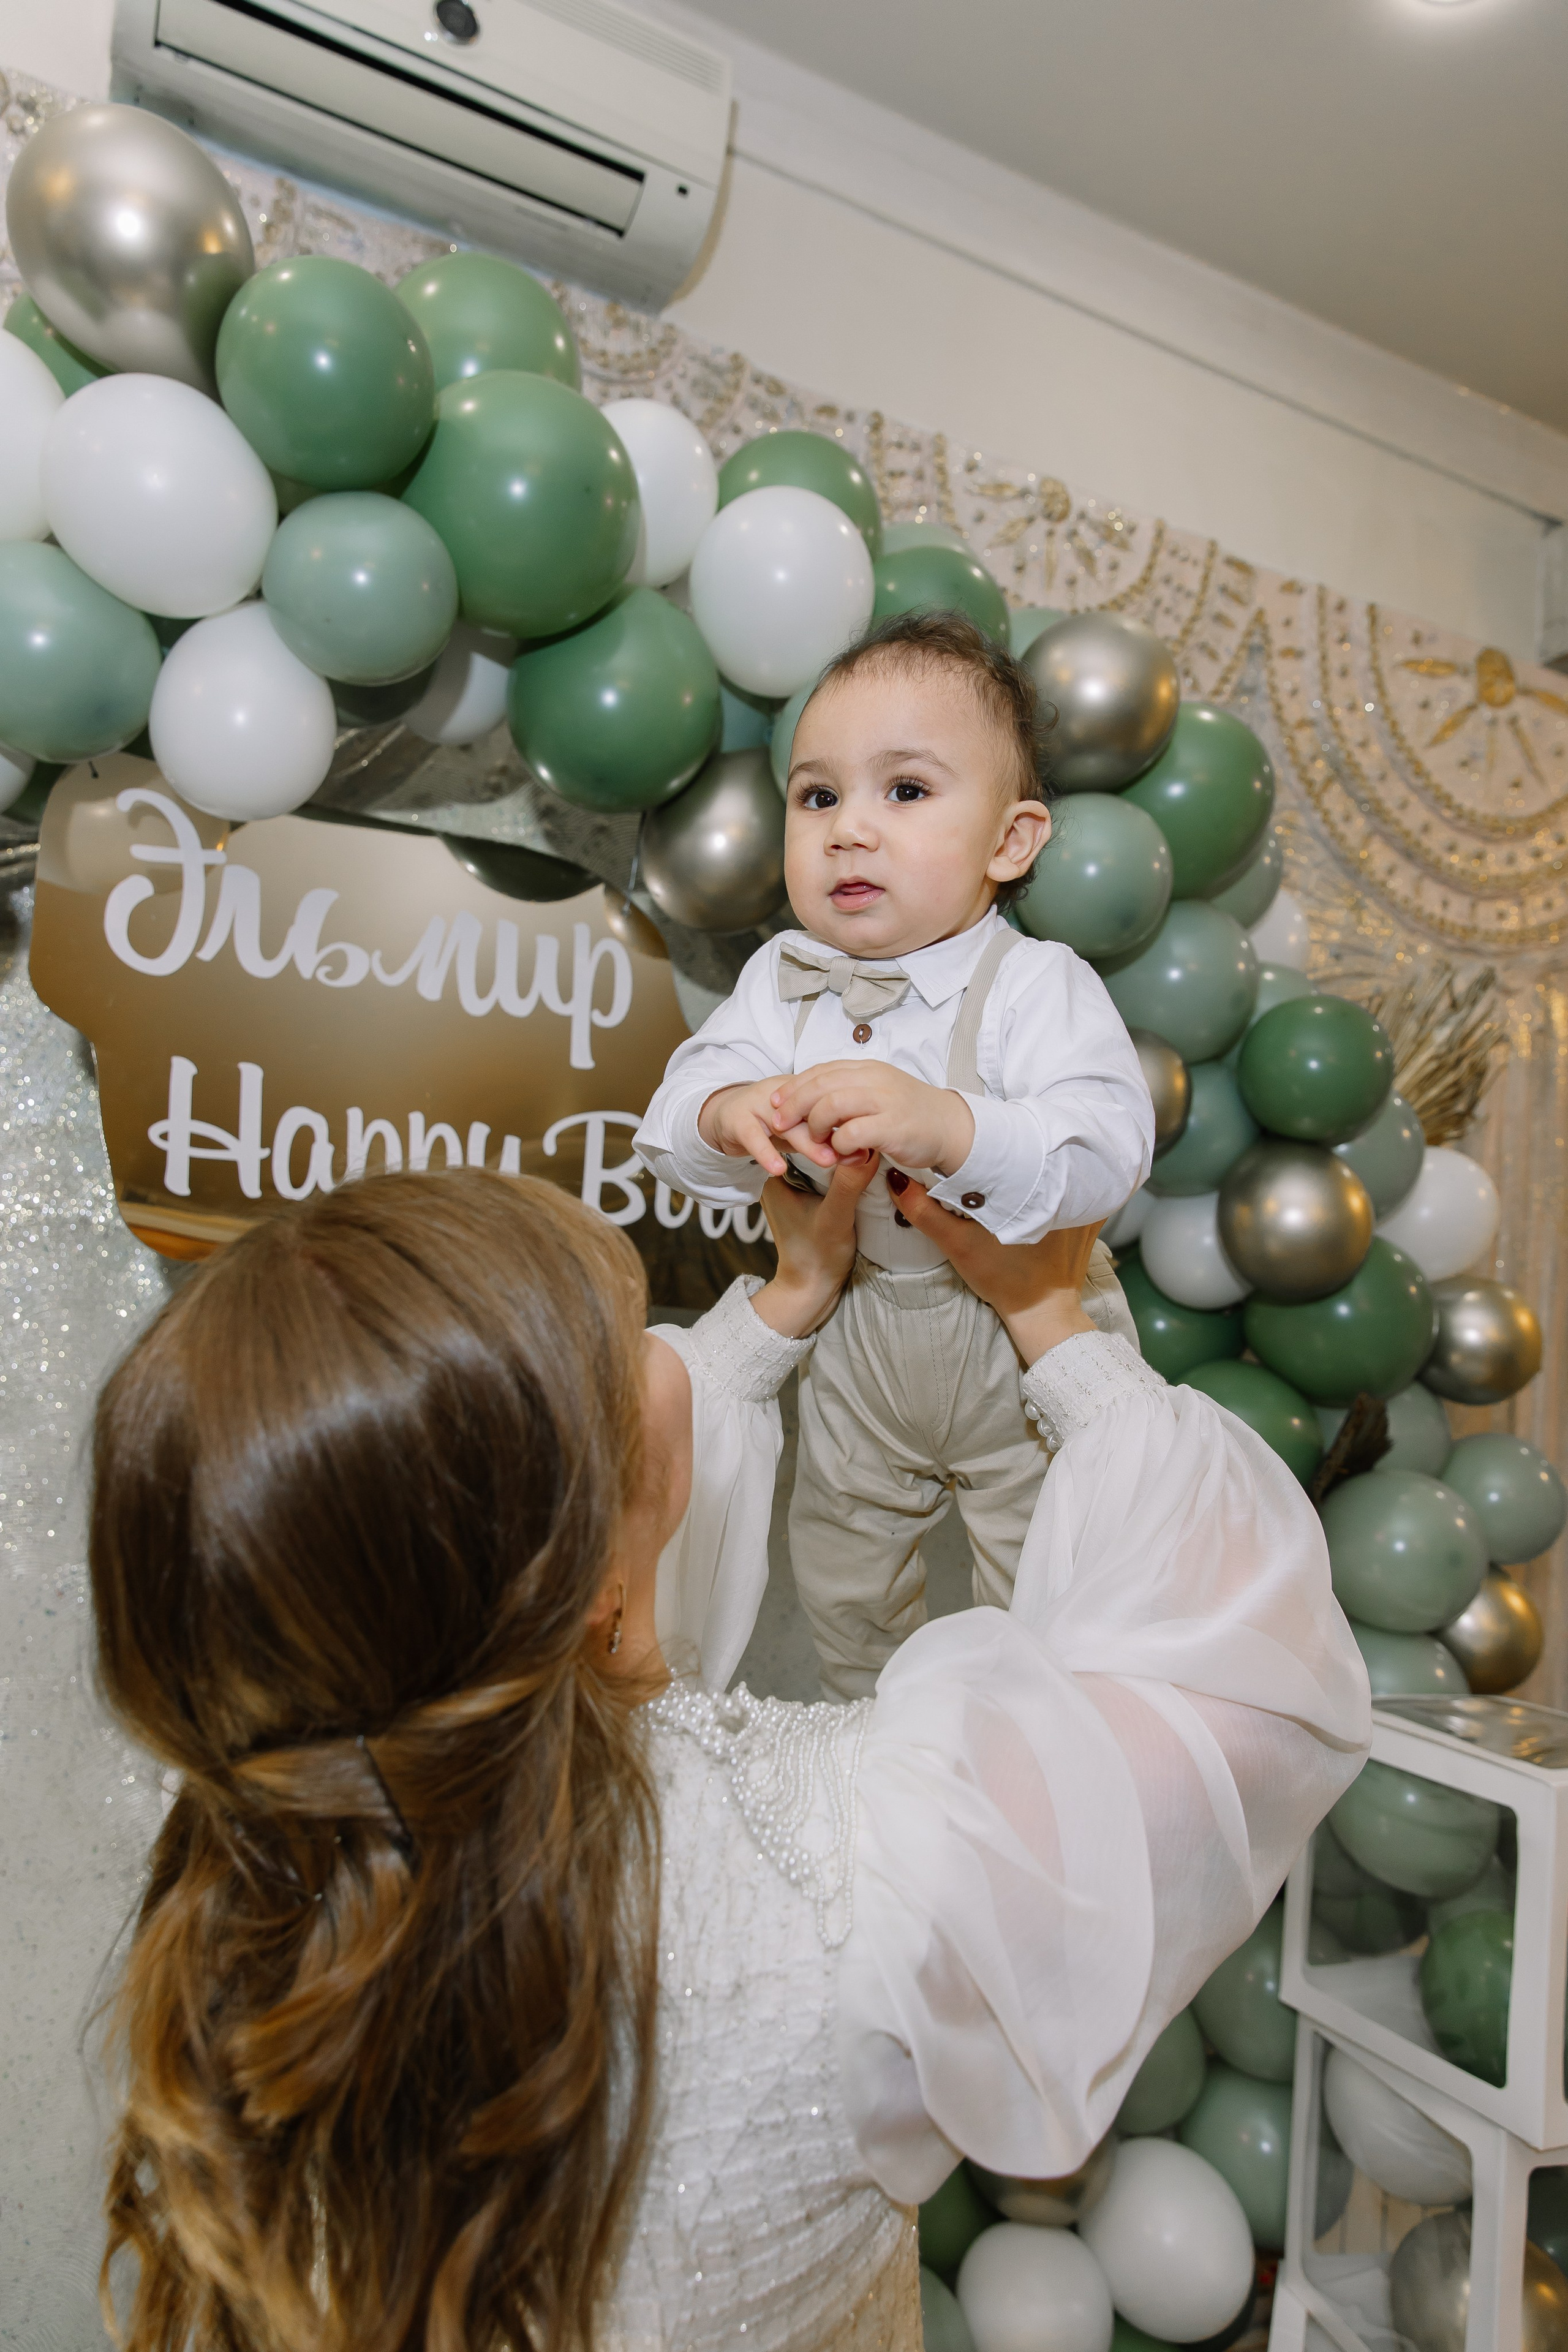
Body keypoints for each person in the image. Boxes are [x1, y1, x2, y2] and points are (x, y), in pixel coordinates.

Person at [89, 1163, 1368, 2352]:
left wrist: (791, 1299)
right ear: (581, 1565)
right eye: (625, 1344)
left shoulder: (260, 1831)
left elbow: (540, 1515)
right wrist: (1052, 1324)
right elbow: (1237, 1690)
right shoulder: (856, 1878)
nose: (666, 1357)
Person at [636, 612, 1155, 1697]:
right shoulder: (781, 977)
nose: (848, 830)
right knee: (840, 1563)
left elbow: (1109, 1147)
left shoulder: (1034, 984)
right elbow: (669, 1117)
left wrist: (950, 1126)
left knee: (1046, 1579)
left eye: (905, 791)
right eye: (818, 796)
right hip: (861, 1328)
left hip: (1020, 1342)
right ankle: (871, 1738)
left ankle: (1031, 1756)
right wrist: (729, 1110)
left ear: (1010, 843)